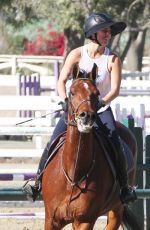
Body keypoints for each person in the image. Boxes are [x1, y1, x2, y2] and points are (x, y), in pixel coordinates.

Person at [23, 12, 137, 204]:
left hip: (100, 110)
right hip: (75, 109)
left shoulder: (112, 59)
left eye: (109, 31)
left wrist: (101, 102)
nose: (108, 34)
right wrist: (63, 100)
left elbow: (115, 90)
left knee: (115, 142)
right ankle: (37, 182)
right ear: (93, 33)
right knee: (53, 141)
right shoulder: (76, 54)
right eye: (104, 31)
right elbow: (61, 81)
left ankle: (125, 188)